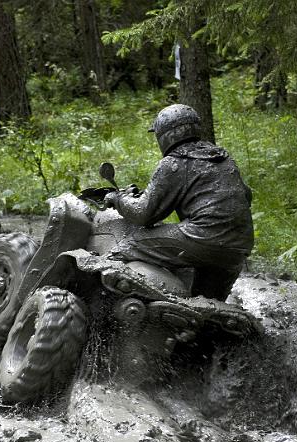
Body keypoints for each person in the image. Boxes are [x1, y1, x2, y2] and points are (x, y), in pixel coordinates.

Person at [104, 103, 254, 301]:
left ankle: (108, 305)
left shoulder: (174, 162)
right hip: (238, 247)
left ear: (164, 135)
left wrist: (118, 198)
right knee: (207, 303)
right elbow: (246, 195)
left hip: (204, 238)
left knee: (128, 245)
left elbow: (143, 214)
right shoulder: (222, 157)